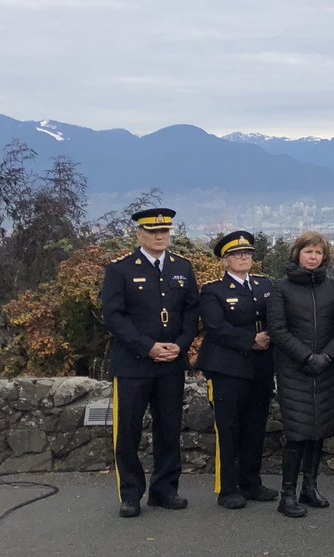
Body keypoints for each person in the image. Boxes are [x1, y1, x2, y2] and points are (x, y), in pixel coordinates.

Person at [100, 208, 199, 518]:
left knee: (169, 428)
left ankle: (164, 490)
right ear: (139, 234)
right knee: (127, 431)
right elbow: (114, 316)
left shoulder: (183, 267)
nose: (160, 236)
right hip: (133, 364)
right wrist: (148, 347)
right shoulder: (121, 270)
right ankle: (130, 494)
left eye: (165, 232)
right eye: (153, 232)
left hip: (171, 363)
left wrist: (180, 346)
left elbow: (191, 313)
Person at [266, 231, 334, 518]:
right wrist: (306, 356)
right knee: (297, 432)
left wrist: (327, 356)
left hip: (326, 369)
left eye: (318, 252)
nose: (313, 257)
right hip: (295, 370)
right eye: (308, 251)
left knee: (319, 430)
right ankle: (287, 494)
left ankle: (310, 487)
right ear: (297, 254)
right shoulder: (281, 288)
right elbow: (278, 330)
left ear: (324, 257)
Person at [195, 230, 278, 510]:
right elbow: (216, 327)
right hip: (228, 368)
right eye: (236, 254)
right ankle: (228, 488)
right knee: (229, 429)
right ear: (224, 261)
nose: (243, 257)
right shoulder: (213, 291)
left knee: (255, 426)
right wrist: (250, 340)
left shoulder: (265, 285)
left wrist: (268, 336)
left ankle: (251, 483)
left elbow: (277, 317)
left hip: (261, 367)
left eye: (247, 253)